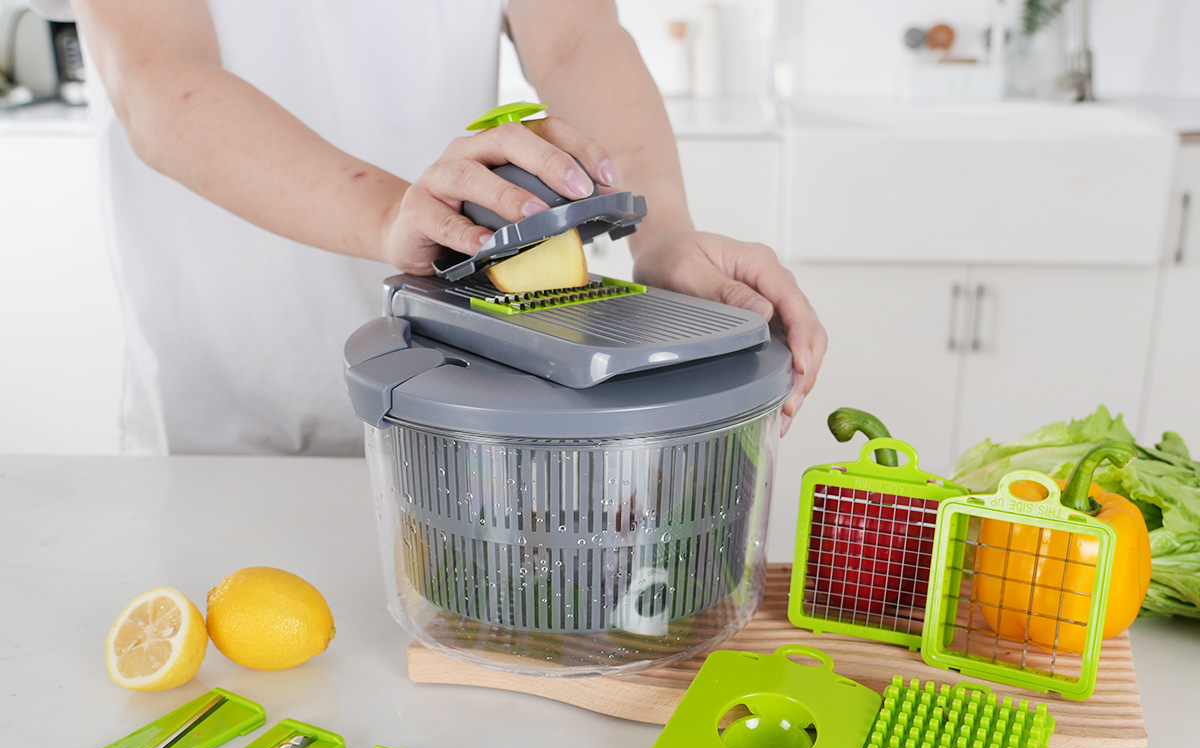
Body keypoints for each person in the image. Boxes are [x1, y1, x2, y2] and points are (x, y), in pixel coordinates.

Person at [39, 0, 826, 454]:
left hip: (449, 412)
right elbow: (157, 79)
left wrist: (659, 227)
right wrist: (390, 213)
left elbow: (577, 37)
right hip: (217, 417)